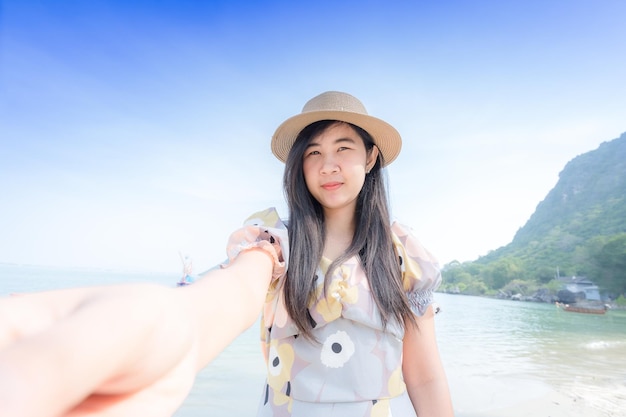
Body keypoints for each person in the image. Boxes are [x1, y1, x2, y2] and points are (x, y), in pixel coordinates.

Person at [0, 91, 454, 417]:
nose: (327, 165)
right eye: (312, 152)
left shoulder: (403, 257)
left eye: (343, 148)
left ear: (371, 158)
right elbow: (231, 293)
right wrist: (171, 327)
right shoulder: (277, 242)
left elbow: (425, 377)